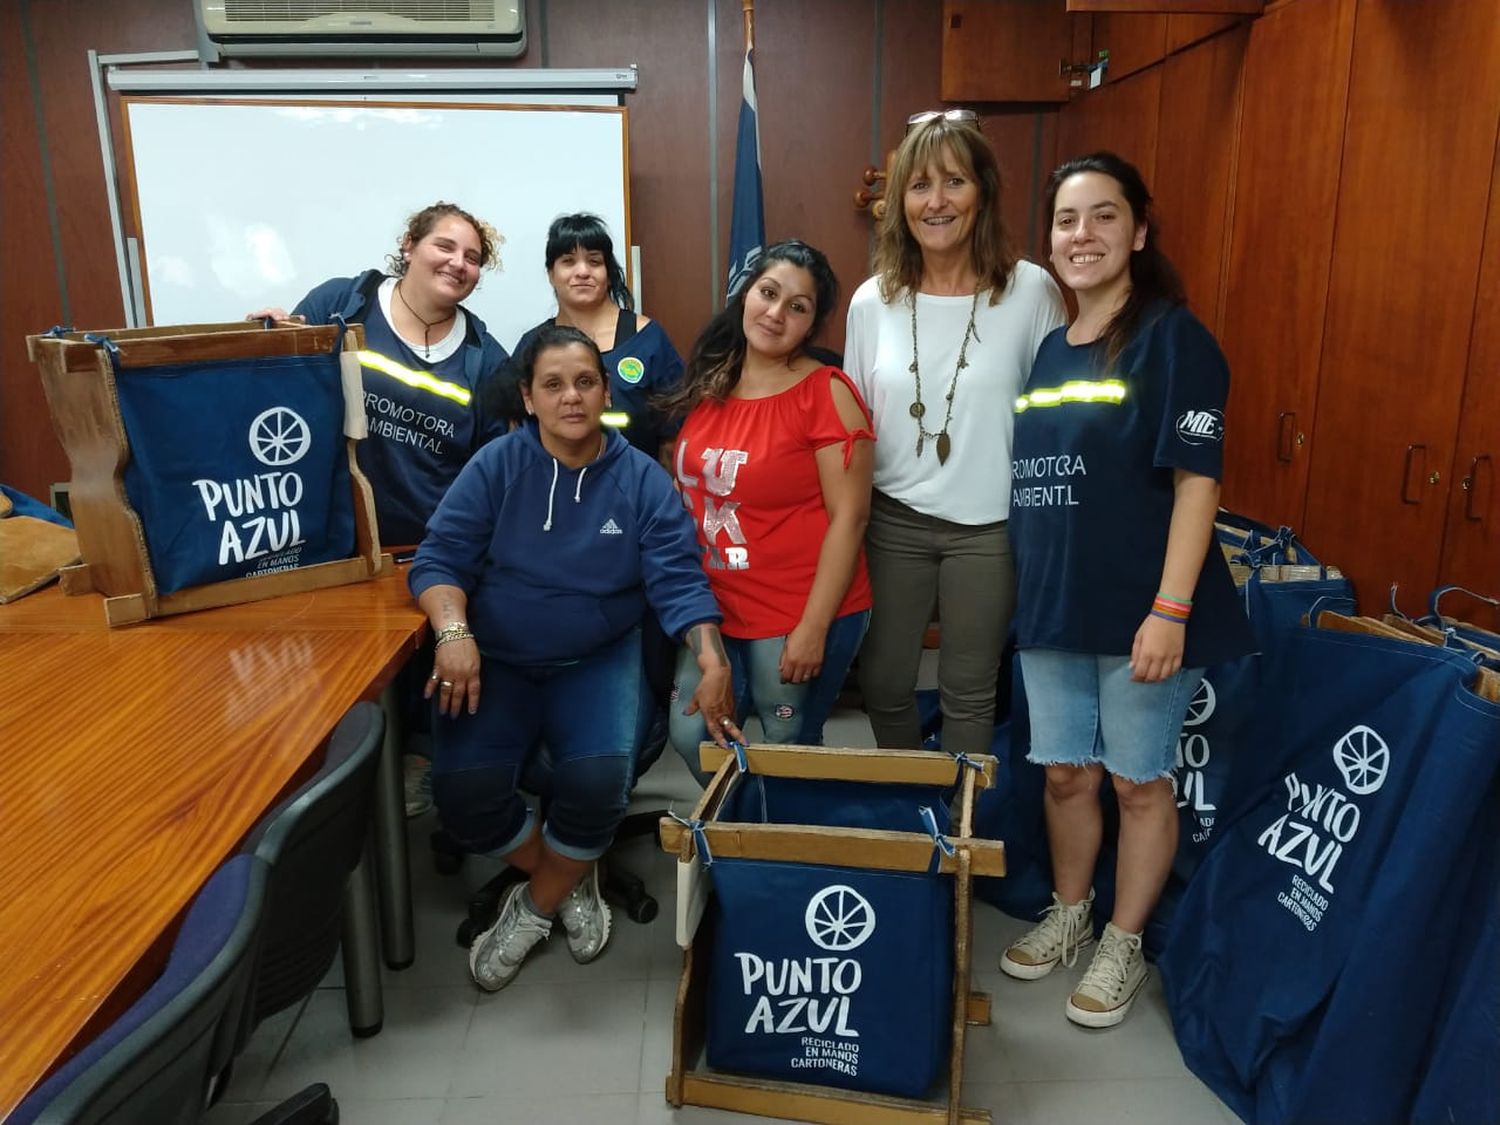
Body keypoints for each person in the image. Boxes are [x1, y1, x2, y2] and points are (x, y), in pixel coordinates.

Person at [999, 152, 1254, 1029]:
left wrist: (1170, 610)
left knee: (1139, 781)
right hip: (1054, 609)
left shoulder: (1175, 338)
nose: (1083, 236)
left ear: (1139, 231)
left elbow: (1197, 483)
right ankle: (1070, 909)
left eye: (1104, 217)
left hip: (1146, 613)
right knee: (1066, 773)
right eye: (1068, 220)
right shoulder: (1045, 349)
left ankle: (1123, 937)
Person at [408, 324, 742, 992]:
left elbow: (678, 579)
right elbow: (439, 560)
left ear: (605, 391)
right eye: (553, 384)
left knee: (597, 784)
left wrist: (713, 659)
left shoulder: (641, 481)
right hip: (495, 655)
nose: (571, 397)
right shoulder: (497, 465)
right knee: (463, 795)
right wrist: (453, 632)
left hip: (597, 657)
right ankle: (565, 872)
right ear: (528, 398)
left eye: (585, 381)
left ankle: (536, 905)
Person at [249, 201, 513, 818]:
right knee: (332, 700)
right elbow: (282, 377)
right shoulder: (344, 302)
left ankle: (413, 775)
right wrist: (262, 337)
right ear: (410, 245)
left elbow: (490, 477)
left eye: (473, 258)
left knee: (416, 702)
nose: (459, 263)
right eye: (445, 246)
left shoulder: (485, 357)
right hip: (334, 546)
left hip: (427, 557)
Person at [844, 109, 1066, 758]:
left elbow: (1052, 425)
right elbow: (857, 424)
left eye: (954, 182)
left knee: (970, 689)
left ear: (984, 193)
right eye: (919, 185)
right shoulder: (871, 300)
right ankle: (914, 813)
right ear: (898, 202)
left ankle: (959, 841)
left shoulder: (1033, 292)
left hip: (991, 527)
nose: (936, 201)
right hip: (894, 520)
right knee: (883, 683)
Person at [663, 240, 875, 782]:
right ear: (745, 296)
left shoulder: (825, 391)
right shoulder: (711, 383)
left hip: (796, 608)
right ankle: (745, 842)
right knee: (693, 736)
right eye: (768, 293)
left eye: (798, 307)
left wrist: (813, 627)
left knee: (786, 746)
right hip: (716, 606)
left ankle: (782, 856)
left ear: (811, 325)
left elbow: (850, 517)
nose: (777, 313)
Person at [499, 213, 684, 463]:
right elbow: (514, 432)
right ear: (551, 274)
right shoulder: (532, 345)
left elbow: (673, 439)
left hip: (634, 490)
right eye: (568, 261)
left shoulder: (648, 339)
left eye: (594, 261)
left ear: (608, 273)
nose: (583, 272)